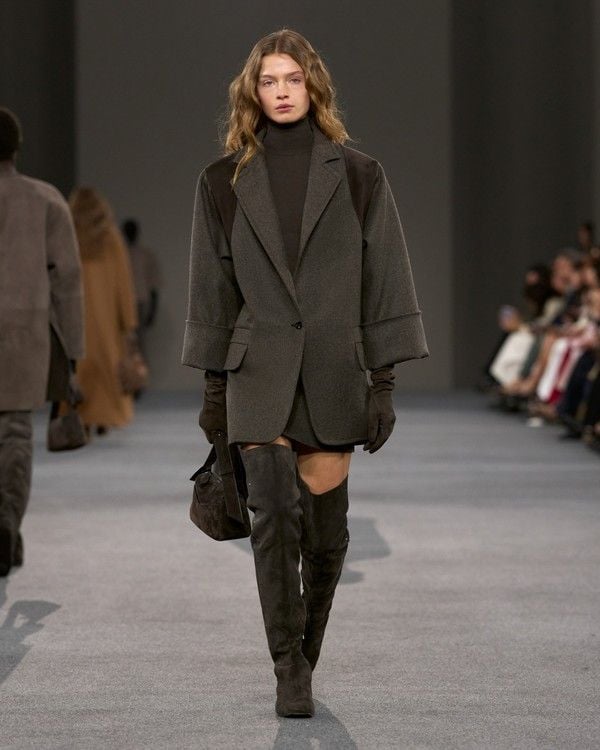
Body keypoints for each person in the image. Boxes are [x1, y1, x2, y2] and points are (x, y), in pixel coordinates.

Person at [182, 29, 428, 718]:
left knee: (323, 535)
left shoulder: (359, 174)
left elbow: (384, 276)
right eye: (269, 81)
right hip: (256, 370)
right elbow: (212, 289)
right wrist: (212, 391)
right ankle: (287, 669)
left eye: (293, 78)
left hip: (332, 370)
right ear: (252, 92)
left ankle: (307, 652)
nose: (282, 91)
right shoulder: (222, 181)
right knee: (274, 519)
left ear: (313, 86)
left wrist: (382, 384)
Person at [0, 107, 84, 576]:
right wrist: (73, 353)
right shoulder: (45, 199)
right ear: (16, 146)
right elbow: (67, 282)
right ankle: (7, 523)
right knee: (15, 433)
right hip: (24, 332)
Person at [69, 188, 138, 435]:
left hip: (78, 314)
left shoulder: (70, 236)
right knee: (107, 367)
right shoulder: (110, 237)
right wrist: (128, 321)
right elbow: (123, 281)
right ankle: (103, 418)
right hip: (107, 318)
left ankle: (83, 417)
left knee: (81, 368)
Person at [121, 219, 162, 357]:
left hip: (140, 302)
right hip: (123, 304)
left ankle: (138, 367)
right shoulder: (119, 255)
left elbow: (153, 284)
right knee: (123, 342)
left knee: (139, 343)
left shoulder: (145, 255)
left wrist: (152, 311)